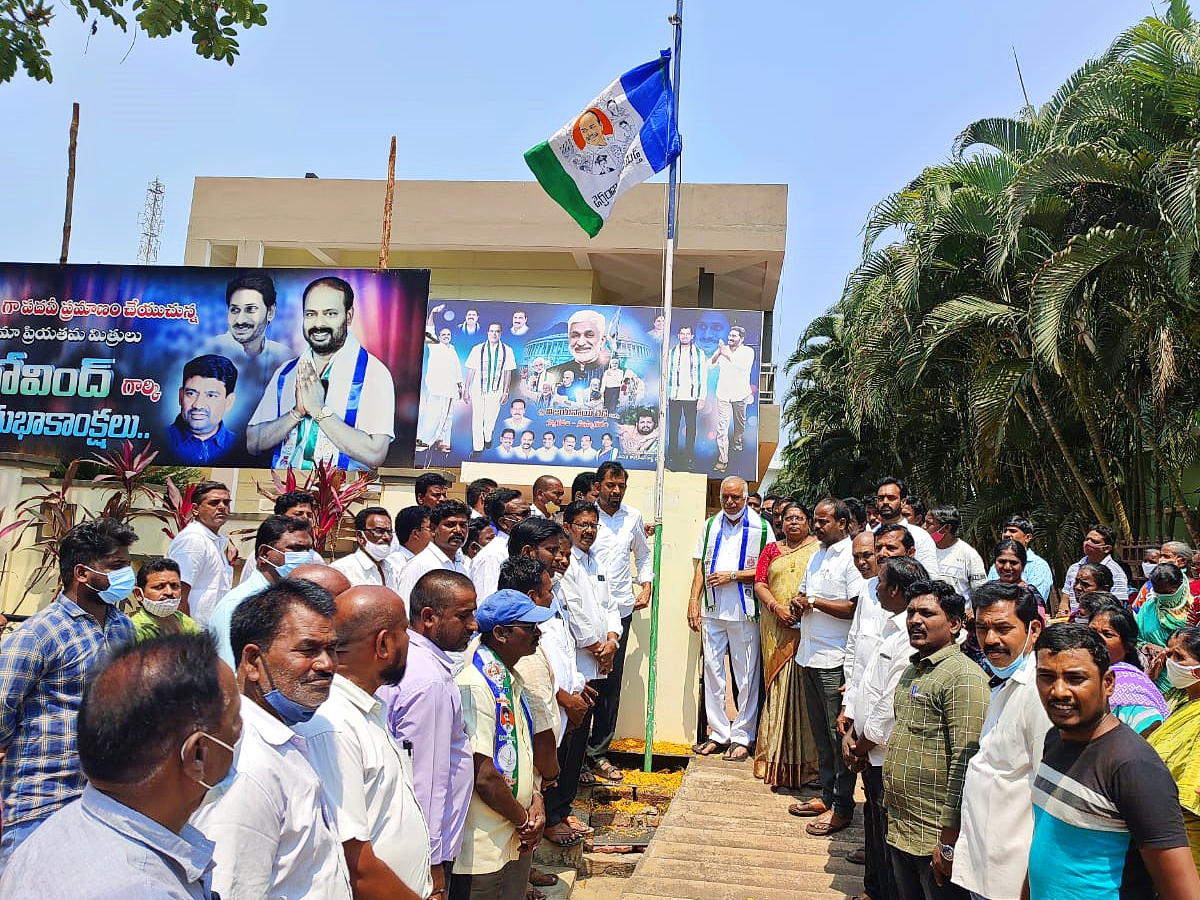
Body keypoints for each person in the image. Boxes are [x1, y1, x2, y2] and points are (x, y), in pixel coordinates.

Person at [0, 633, 240, 900]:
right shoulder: (142, 890)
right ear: (197, 754)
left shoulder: (60, 829)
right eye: (235, 723)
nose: (241, 733)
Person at [192, 579, 352, 900]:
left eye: (331, 649)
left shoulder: (286, 739)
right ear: (253, 662)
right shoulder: (248, 767)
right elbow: (233, 888)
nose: (327, 664)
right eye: (308, 650)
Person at [1027, 624, 1200, 900]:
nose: (1058, 691)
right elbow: (1045, 845)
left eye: (1075, 678)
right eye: (1047, 677)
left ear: (1108, 683)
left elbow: (1182, 892)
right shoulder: (1055, 740)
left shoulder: (1132, 766)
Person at [0, 518, 137, 859]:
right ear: (82, 574)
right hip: (43, 800)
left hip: (106, 802)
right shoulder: (39, 634)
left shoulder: (124, 629)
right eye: (116, 566)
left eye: (127, 565)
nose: (127, 574)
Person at [294, 585, 432, 900]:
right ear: (384, 643)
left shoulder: (366, 710)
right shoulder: (334, 726)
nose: (410, 641)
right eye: (405, 632)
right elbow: (354, 863)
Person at [883, 580, 988, 900]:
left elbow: (965, 762)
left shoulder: (963, 677)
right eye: (911, 612)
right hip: (902, 829)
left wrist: (948, 841)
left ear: (955, 624)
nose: (915, 620)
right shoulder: (913, 671)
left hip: (935, 837)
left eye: (927, 613)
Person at [381, 570, 477, 899]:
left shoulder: (420, 664)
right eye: (463, 616)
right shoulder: (428, 681)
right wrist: (432, 862)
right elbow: (427, 780)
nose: (473, 625)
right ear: (428, 617)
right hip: (423, 853)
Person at [452, 590, 554, 900]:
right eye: (529, 627)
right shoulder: (476, 684)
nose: (538, 633)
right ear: (500, 634)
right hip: (484, 844)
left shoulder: (509, 680)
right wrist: (524, 819)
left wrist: (535, 798)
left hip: (515, 835)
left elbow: (521, 756)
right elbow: (483, 775)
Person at [952, 582, 1049, 900]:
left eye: (1003, 628)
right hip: (983, 866)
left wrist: (1030, 882)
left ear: (1033, 630)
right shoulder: (1002, 682)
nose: (990, 640)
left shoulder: (1039, 695)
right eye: (982, 628)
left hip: (1013, 877)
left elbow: (1047, 801)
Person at [844, 556, 929, 900]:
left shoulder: (909, 636)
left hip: (882, 753)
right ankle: (874, 889)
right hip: (866, 747)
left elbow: (891, 702)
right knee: (874, 827)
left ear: (895, 588)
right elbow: (868, 681)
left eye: (880, 582)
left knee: (887, 834)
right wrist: (852, 728)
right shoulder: (891, 625)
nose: (876, 587)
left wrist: (860, 745)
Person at [247, 275, 396, 470]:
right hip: (286, 491)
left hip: (342, 494)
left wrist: (319, 410)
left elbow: (375, 454)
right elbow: (252, 443)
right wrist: (296, 414)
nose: (318, 324)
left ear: (348, 316)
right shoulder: (286, 372)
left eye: (330, 314)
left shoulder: (374, 373)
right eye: (311, 314)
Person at [787, 498, 862, 836]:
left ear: (843, 523)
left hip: (835, 659)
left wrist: (814, 602)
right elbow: (806, 592)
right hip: (808, 654)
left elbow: (853, 608)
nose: (816, 527)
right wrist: (799, 601)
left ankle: (843, 808)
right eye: (815, 521)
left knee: (838, 736)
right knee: (821, 735)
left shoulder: (852, 557)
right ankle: (828, 796)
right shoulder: (817, 554)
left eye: (823, 521)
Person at [688, 477, 771, 762]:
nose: (730, 502)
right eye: (726, 497)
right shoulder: (711, 525)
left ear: (746, 498)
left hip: (744, 610)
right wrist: (693, 601)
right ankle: (718, 733)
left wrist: (732, 575)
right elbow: (700, 565)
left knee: (746, 675)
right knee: (712, 670)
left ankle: (742, 736)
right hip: (713, 609)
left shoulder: (761, 527)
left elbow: (767, 568)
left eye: (736, 497)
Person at [588, 460, 654, 782]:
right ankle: (573, 756)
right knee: (582, 679)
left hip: (621, 610)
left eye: (621, 486)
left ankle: (597, 753)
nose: (616, 492)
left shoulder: (633, 517)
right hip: (585, 612)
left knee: (610, 681)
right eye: (610, 486)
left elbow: (643, 553)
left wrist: (647, 583)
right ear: (598, 486)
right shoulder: (585, 518)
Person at [498, 558, 566, 853]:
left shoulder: (521, 643)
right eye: (548, 591)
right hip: (528, 768)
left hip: (527, 767)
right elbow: (541, 729)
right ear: (531, 596)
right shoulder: (526, 654)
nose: (552, 597)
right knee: (526, 825)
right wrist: (550, 773)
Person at [752, 501, 820, 788]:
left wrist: (801, 608)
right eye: (788, 518)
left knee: (806, 692)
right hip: (775, 626)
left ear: (808, 522)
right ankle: (774, 759)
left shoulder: (819, 549)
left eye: (799, 518)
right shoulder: (771, 549)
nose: (793, 522)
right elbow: (759, 582)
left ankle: (811, 767)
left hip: (809, 626)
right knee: (778, 687)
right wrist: (775, 607)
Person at [557, 499, 621, 793]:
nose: (589, 530)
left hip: (599, 657)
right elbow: (574, 611)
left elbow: (610, 606)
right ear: (568, 527)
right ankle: (559, 800)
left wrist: (612, 640)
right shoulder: (565, 562)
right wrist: (597, 647)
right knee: (568, 733)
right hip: (578, 660)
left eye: (594, 525)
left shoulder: (597, 560)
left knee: (584, 729)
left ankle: (567, 798)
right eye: (583, 524)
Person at [205, 515, 316, 667]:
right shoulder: (237, 605)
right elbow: (231, 670)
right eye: (296, 549)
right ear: (264, 554)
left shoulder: (293, 598)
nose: (305, 556)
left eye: (308, 549)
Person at [203, 271, 292, 419]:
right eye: (234, 310)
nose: (240, 320)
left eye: (250, 309)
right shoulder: (206, 352)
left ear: (270, 312)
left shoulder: (285, 358)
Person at [1148, 626, 1200, 869]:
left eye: (1179, 657)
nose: (1170, 662)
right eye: (1168, 654)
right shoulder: (1177, 699)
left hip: (1188, 829)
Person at [1085, 599, 1169, 734]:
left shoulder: (1133, 688)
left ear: (1127, 646)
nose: (1096, 639)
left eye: (1107, 634)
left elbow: (1150, 726)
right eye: (1092, 631)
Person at [166, 480, 233, 625]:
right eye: (214, 503)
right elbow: (177, 594)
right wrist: (187, 636)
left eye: (226, 502)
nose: (222, 507)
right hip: (193, 635)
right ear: (195, 509)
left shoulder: (214, 540)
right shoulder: (193, 540)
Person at [167, 354, 240, 465]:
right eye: (191, 393)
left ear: (229, 402)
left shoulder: (241, 448)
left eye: (211, 396)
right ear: (181, 396)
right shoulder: (158, 441)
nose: (198, 405)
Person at [398, 500, 472, 600]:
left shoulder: (464, 566)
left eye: (463, 525)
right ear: (433, 529)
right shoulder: (419, 566)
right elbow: (406, 609)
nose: (458, 531)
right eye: (450, 525)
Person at [1136, 561, 1192, 692]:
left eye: (1168, 593)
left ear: (1181, 586)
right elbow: (1134, 639)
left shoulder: (1194, 611)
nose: (1163, 597)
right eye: (1158, 592)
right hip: (1154, 679)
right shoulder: (1147, 609)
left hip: (1187, 680)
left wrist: (1170, 653)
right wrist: (1147, 646)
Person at [464, 322, 518, 458]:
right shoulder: (477, 349)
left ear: (500, 334)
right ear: (487, 332)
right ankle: (477, 447)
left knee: (490, 419)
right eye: (491, 331)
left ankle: (487, 437)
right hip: (478, 389)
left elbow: (507, 373)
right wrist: (466, 390)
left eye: (497, 331)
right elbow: (471, 371)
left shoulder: (507, 350)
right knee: (477, 418)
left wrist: (505, 392)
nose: (494, 334)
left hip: (496, 391)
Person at [708, 325, 755, 473]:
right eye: (730, 335)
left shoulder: (748, 352)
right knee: (722, 427)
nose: (730, 338)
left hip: (740, 394)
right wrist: (718, 354)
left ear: (741, 339)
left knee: (740, 424)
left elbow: (741, 367)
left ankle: (737, 439)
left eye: (734, 336)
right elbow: (709, 365)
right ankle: (723, 459)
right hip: (723, 394)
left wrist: (726, 354)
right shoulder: (723, 349)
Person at [471, 489, 531, 599]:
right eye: (523, 514)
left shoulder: (521, 548)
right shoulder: (492, 556)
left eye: (530, 513)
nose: (530, 519)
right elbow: (486, 604)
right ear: (503, 522)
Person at [873, 478, 940, 576]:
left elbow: (930, 576)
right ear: (876, 502)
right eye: (881, 498)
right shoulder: (869, 535)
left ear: (903, 502)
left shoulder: (920, 536)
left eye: (891, 498)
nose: (885, 502)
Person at [416, 318, 464, 454]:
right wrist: (432, 314)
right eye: (443, 335)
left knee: (447, 417)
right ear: (439, 337)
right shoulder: (435, 345)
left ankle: (442, 442)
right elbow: (429, 329)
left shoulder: (453, 350)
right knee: (432, 415)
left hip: (450, 390)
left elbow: (457, 369)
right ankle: (423, 440)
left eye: (448, 335)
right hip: (437, 389)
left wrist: (460, 386)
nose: (446, 337)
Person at [666, 324, 709, 467]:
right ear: (678, 336)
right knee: (673, 427)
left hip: (692, 397)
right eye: (682, 333)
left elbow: (703, 376)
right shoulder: (671, 353)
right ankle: (671, 456)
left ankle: (689, 458)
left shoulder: (699, 353)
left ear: (692, 336)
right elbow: (665, 375)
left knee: (691, 429)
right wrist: (665, 396)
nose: (684, 336)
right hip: (674, 396)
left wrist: (702, 397)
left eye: (687, 334)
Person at [984, 515, 1053, 603]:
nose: (1007, 535)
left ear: (1027, 537)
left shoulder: (1038, 566)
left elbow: (1034, 600)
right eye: (1005, 531)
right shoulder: (996, 566)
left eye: (1013, 531)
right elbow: (988, 596)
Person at [1063, 525, 1129, 614]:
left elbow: (1117, 605)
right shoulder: (1074, 568)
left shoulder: (1116, 572)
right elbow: (1065, 598)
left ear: (1107, 548)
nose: (1088, 543)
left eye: (1094, 541)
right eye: (1087, 539)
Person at [924, 505, 986, 601]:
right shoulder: (924, 551)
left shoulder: (969, 555)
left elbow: (980, 592)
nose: (924, 527)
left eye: (929, 524)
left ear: (947, 528)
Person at [130, 557, 200, 642]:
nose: (169, 592)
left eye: (174, 586)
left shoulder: (187, 623)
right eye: (159, 587)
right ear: (139, 594)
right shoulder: (133, 629)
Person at [331, 506, 397, 588]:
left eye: (389, 531)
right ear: (360, 537)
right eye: (379, 531)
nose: (387, 537)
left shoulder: (393, 569)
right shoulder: (342, 570)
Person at [387, 506, 433, 580]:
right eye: (431, 528)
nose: (435, 533)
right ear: (416, 533)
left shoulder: (430, 560)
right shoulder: (393, 565)